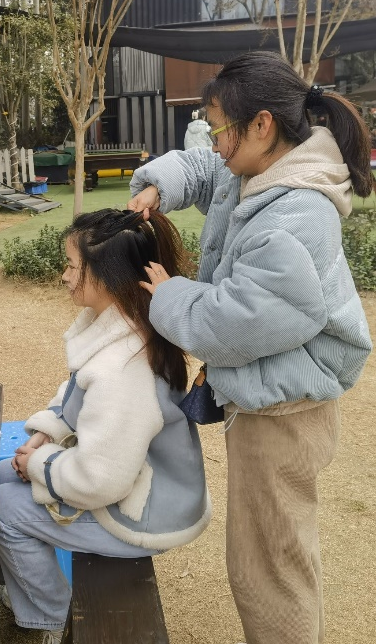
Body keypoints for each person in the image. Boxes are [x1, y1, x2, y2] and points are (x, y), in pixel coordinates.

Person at [127, 51, 373, 644]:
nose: (213, 144)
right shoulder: (259, 170)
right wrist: (160, 184)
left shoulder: (294, 215)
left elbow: (237, 323)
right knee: (270, 554)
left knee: (270, 569)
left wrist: (170, 295)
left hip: (283, 414)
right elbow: (203, 169)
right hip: (274, 395)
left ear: (261, 125)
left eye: (218, 129)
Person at [0, 209, 211, 644]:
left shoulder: (123, 369)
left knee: (2, 507)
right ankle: (26, 581)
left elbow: (100, 480)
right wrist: (47, 433)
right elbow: (77, 392)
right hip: (148, 483)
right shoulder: (129, 322)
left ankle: (49, 616)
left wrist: (38, 464)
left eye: (73, 266)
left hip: (144, 514)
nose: (64, 276)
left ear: (108, 276)